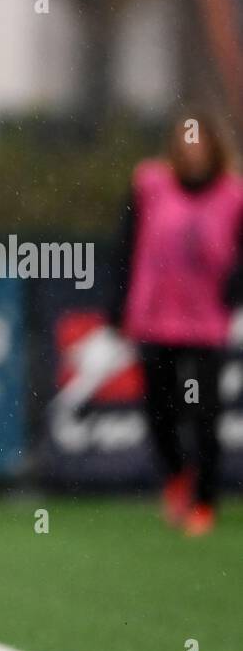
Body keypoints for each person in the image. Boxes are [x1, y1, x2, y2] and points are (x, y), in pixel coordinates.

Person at [107, 110, 243, 536]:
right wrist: (117, 303)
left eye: (199, 146)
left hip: (205, 322)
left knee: (203, 411)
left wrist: (233, 287)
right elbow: (126, 244)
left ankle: (204, 500)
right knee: (160, 410)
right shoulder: (150, 186)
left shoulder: (233, 196)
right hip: (155, 316)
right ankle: (176, 475)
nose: (192, 155)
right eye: (184, 147)